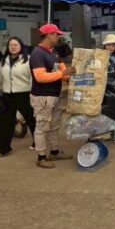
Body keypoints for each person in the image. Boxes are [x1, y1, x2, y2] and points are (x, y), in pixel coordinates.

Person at [0, 37, 36, 159]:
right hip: (7, 95)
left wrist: (34, 92)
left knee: (32, 119)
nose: (13, 47)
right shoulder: (4, 60)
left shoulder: (28, 60)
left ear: (21, 46)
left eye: (16, 45)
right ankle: (0, 148)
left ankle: (38, 142)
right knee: (3, 122)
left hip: (24, 94)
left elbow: (33, 78)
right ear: (8, 47)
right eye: (11, 45)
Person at [29, 23, 69, 169]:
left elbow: (61, 69)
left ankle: (54, 151)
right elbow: (40, 77)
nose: (58, 37)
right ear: (49, 35)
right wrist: (62, 73)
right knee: (42, 126)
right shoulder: (37, 53)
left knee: (54, 125)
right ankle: (41, 157)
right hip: (42, 97)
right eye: (57, 34)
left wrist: (67, 75)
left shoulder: (53, 53)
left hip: (54, 95)